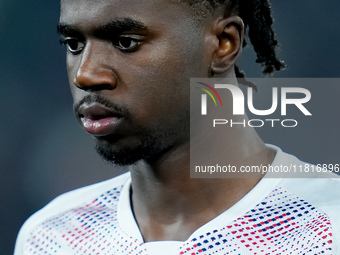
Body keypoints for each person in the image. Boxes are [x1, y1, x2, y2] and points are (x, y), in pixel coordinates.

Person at [15, 0, 340, 254]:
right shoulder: (52, 236)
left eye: (126, 42)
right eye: (74, 44)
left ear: (224, 43)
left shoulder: (329, 227)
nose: (85, 75)